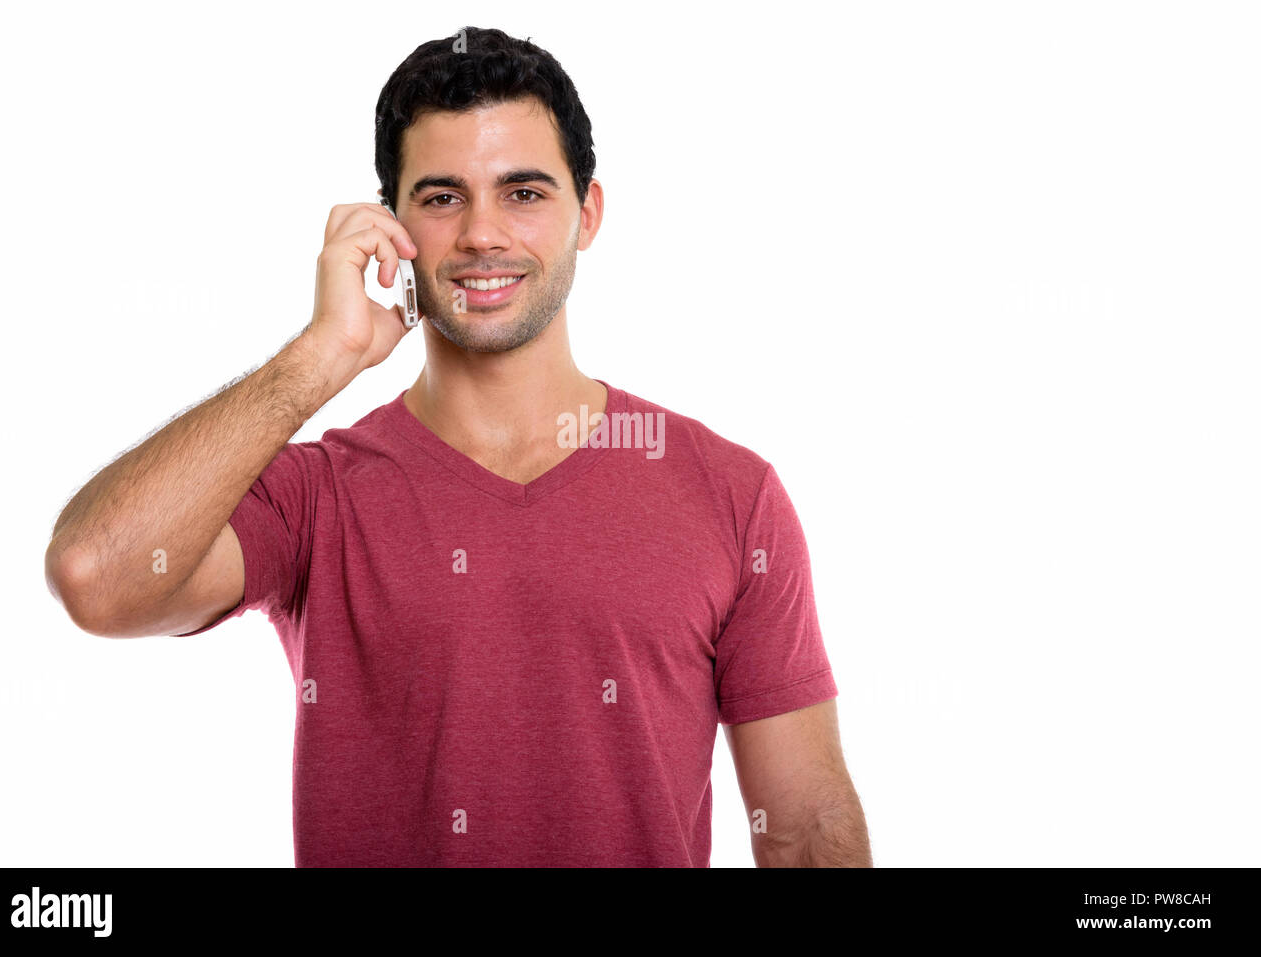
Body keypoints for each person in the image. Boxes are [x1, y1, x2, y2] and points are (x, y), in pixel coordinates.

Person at [44, 26, 871, 868]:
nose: (482, 235)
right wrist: (318, 358)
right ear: (391, 226)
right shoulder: (316, 497)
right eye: (441, 198)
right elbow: (95, 574)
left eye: (523, 193)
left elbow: (805, 831)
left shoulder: (731, 494)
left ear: (587, 213)